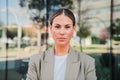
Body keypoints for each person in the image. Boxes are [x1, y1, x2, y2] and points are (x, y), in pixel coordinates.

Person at [26, 8, 97, 80]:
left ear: (74, 29)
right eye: (57, 27)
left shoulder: (88, 62)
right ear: (51, 29)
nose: (62, 32)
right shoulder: (36, 61)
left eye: (67, 27)